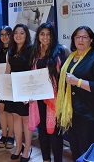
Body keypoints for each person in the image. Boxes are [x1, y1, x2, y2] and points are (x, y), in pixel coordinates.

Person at [56, 26, 94, 161]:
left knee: (86, 150)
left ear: (91, 40)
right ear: (73, 39)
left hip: (89, 113)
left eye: (84, 37)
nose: (80, 40)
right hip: (71, 112)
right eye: (77, 37)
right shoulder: (70, 57)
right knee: (75, 148)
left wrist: (77, 82)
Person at [29, 23, 68, 162]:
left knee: (55, 133)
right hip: (38, 98)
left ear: (53, 35)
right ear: (38, 36)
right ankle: (46, 159)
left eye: (48, 34)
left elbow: (65, 76)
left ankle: (58, 160)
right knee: (42, 131)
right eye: (42, 34)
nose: (45, 37)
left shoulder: (61, 50)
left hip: (55, 99)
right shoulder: (34, 52)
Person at [5, 24, 33, 161]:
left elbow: (34, 71)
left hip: (26, 89)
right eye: (16, 33)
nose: (18, 35)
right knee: (16, 117)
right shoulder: (10, 51)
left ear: (26, 35)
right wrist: (3, 88)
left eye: (22, 33)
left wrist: (30, 93)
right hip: (13, 89)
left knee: (27, 119)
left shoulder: (32, 50)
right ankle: (18, 146)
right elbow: (7, 71)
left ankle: (27, 148)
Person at [0, 26, 15, 148]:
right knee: (1, 110)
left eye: (7, 34)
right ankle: (4, 134)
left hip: (10, 84)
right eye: (2, 34)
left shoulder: (15, 49)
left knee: (9, 111)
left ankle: (11, 135)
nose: (4, 37)